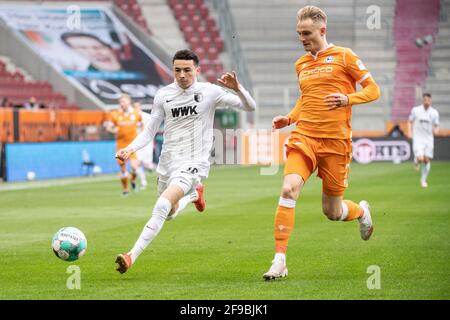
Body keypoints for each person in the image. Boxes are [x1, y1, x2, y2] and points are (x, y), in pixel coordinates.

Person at [263, 6, 380, 281]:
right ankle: (280, 260)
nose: (302, 38)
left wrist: (347, 99)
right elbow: (306, 98)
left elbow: (374, 90)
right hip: (304, 137)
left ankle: (362, 211)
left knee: (333, 211)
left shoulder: (344, 56)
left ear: (322, 30)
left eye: (307, 33)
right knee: (289, 189)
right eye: (299, 33)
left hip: (336, 143)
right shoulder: (301, 64)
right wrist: (290, 118)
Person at [114, 49, 256, 274]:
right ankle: (193, 195)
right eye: (177, 70)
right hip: (168, 162)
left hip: (194, 163)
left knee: (161, 205)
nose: (181, 75)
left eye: (187, 70)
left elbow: (250, 106)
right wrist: (129, 149)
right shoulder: (163, 95)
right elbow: (150, 131)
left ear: (197, 71)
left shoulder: (209, 91)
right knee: (168, 213)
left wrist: (238, 89)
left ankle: (131, 256)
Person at [106, 94, 142, 196]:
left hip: (132, 146)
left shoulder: (136, 114)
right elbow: (108, 127)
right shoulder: (115, 114)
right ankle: (125, 189)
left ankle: (133, 180)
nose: (122, 103)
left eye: (124, 101)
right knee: (123, 169)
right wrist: (113, 129)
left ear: (129, 102)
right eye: (121, 102)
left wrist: (141, 132)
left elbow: (143, 124)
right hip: (121, 146)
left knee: (135, 168)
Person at [407, 93, 439, 188]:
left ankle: (423, 180)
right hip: (418, 138)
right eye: (425, 99)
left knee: (426, 160)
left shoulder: (434, 113)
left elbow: (436, 125)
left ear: (431, 100)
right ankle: (416, 160)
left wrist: (436, 131)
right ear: (422, 100)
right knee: (421, 158)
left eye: (428, 100)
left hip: (429, 139)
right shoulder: (416, 110)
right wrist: (409, 132)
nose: (426, 101)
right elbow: (409, 121)